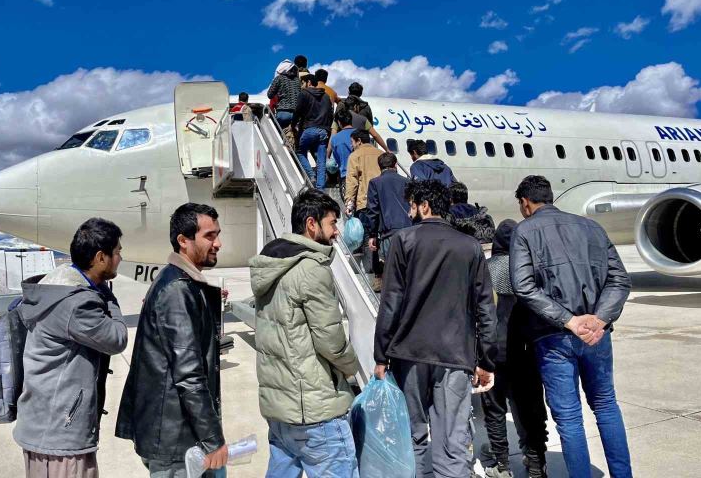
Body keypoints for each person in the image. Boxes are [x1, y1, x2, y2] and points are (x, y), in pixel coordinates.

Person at [510, 175, 632, 478]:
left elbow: (523, 287)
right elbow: (620, 280)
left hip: (554, 336)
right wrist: (599, 319)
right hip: (596, 335)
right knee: (606, 406)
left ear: (525, 203)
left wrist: (570, 320)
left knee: (569, 419)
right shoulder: (591, 227)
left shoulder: (525, 230)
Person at [373, 180, 497, 478]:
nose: (410, 212)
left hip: (409, 354)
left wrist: (381, 355)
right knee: (453, 442)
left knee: (411, 437)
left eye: (412, 205)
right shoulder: (470, 246)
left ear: (425, 206)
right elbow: (485, 308)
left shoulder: (403, 241)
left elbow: (390, 302)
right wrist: (485, 359)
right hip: (455, 357)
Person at [249, 189, 359, 477]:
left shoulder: (270, 265)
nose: (336, 232)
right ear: (312, 224)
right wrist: (353, 369)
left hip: (280, 411)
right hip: (314, 411)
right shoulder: (310, 269)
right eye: (332, 223)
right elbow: (331, 342)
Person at [117, 204, 228, 477]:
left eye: (217, 235)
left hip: (179, 432)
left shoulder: (182, 282)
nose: (218, 243)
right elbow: (188, 374)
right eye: (209, 236)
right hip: (176, 441)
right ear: (183, 240)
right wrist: (213, 439)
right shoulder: (178, 290)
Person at [14, 218, 128, 478]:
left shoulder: (55, 286)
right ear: (100, 257)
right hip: (61, 438)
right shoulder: (76, 303)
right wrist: (109, 298)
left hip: (43, 428)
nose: (120, 258)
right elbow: (116, 338)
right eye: (117, 252)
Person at [481, 219, 548, 478]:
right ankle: (536, 463)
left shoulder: (485, 269)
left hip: (492, 351)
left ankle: (501, 465)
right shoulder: (528, 270)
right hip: (525, 350)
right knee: (531, 408)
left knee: (494, 409)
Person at [364, 153, 412, 292]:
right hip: (410, 231)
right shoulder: (407, 182)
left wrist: (372, 235)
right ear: (395, 165)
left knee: (391, 270)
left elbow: (373, 211)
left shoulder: (375, 183)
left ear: (380, 166)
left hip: (389, 233)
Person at [345, 130, 382, 271]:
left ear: (359, 141)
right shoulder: (380, 154)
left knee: (367, 236)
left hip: (364, 202)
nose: (352, 145)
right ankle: (379, 269)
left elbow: (352, 181)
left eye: (352, 142)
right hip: (381, 203)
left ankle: (370, 270)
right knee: (379, 235)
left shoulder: (355, 156)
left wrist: (349, 202)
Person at [292, 74, 333, 189]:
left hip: (309, 129)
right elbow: (330, 115)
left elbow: (297, 111)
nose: (301, 86)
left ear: (308, 82)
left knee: (300, 152)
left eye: (302, 83)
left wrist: (293, 125)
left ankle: (311, 175)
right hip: (323, 131)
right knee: (321, 161)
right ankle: (320, 188)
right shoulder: (326, 96)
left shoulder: (304, 93)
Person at [329, 109, 356, 201]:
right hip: (362, 175)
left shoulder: (335, 139)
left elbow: (337, 160)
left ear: (339, 123)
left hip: (346, 176)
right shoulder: (361, 134)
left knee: (348, 204)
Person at [267, 59, 301, 129]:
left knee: (280, 132)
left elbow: (269, 95)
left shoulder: (279, 78)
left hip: (283, 113)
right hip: (296, 114)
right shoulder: (298, 80)